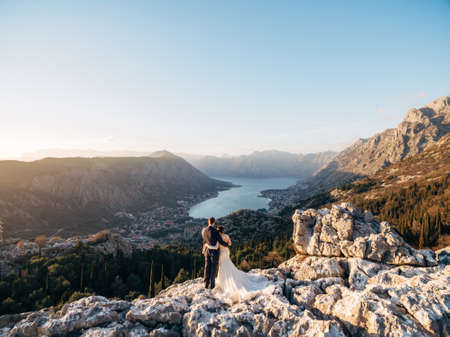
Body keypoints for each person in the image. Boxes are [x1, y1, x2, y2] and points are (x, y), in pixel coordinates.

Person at [214, 225, 275, 303]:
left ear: (218, 231)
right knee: (227, 263)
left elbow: (217, 246)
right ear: (223, 230)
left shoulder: (217, 237)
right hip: (226, 251)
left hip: (221, 252)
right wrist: (226, 244)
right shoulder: (226, 236)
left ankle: (223, 279)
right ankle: (228, 276)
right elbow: (230, 244)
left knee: (222, 265)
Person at [201, 217, 229, 289]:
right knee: (214, 267)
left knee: (207, 266)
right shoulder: (215, 231)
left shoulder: (204, 230)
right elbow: (221, 241)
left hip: (207, 251)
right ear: (214, 223)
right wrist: (227, 244)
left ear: (208, 222)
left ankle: (206, 284)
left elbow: (204, 241)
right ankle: (212, 285)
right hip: (215, 252)